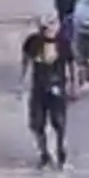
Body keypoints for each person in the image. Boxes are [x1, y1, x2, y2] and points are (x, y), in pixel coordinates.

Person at [21, 13, 71, 168]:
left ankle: (60, 150)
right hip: (39, 89)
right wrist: (22, 78)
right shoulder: (33, 43)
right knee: (37, 123)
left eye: (52, 26)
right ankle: (44, 153)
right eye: (45, 27)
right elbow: (26, 60)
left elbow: (71, 64)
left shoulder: (63, 44)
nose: (49, 30)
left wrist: (73, 86)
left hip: (57, 89)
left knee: (59, 123)